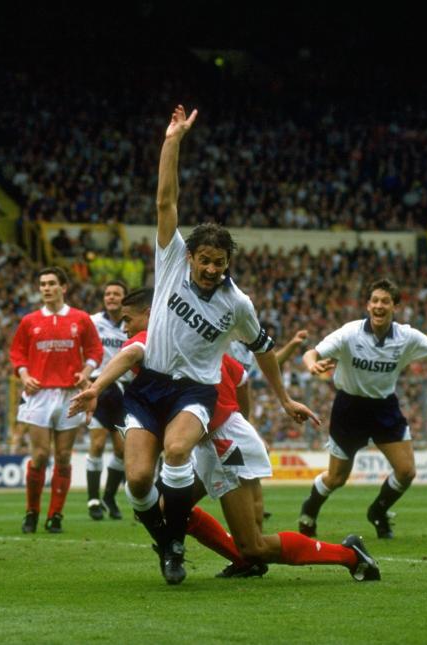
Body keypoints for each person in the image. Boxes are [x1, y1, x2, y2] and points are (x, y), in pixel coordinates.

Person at [86, 105, 317, 585]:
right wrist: (173, 141)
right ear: (189, 255)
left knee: (175, 453)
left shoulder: (238, 303)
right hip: (149, 386)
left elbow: (263, 349)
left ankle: (172, 546)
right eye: (205, 260)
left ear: (229, 260)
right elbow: (165, 202)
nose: (212, 268)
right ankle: (169, 541)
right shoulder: (169, 261)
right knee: (136, 481)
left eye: (220, 261)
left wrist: (284, 397)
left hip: (195, 392)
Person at [73, 321, 379, 583]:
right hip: (214, 440)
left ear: (152, 315)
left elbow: (131, 354)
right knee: (168, 509)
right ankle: (220, 555)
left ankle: (350, 555)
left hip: (222, 441)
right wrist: (243, 419)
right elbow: (241, 378)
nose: (124, 326)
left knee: (254, 546)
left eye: (129, 318)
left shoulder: (155, 339)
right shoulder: (201, 350)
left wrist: (240, 424)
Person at [299, 278, 427, 540]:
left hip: (384, 408)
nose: (379, 306)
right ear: (368, 305)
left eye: (385, 301)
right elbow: (312, 352)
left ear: (394, 307)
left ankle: (378, 512)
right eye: (375, 301)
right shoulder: (350, 332)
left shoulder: (407, 337)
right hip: (349, 408)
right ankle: (309, 509)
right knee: (336, 479)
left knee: (406, 472)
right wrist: (312, 365)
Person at [9, 266, 102, 534]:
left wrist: (85, 374)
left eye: (51, 283)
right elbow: (17, 354)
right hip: (38, 395)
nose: (46, 288)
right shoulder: (29, 321)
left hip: (68, 394)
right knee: (39, 455)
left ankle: (55, 515)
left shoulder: (81, 319)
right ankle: (31, 512)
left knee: (62, 456)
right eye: (42, 284)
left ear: (63, 287)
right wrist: (24, 375)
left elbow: (95, 350)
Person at [85, 280, 130, 520]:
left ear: (124, 299)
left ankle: (110, 496)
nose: (111, 297)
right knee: (97, 444)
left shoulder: (130, 325)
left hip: (123, 390)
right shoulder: (93, 322)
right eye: (108, 293)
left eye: (116, 294)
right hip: (98, 386)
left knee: (123, 450)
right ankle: (93, 499)